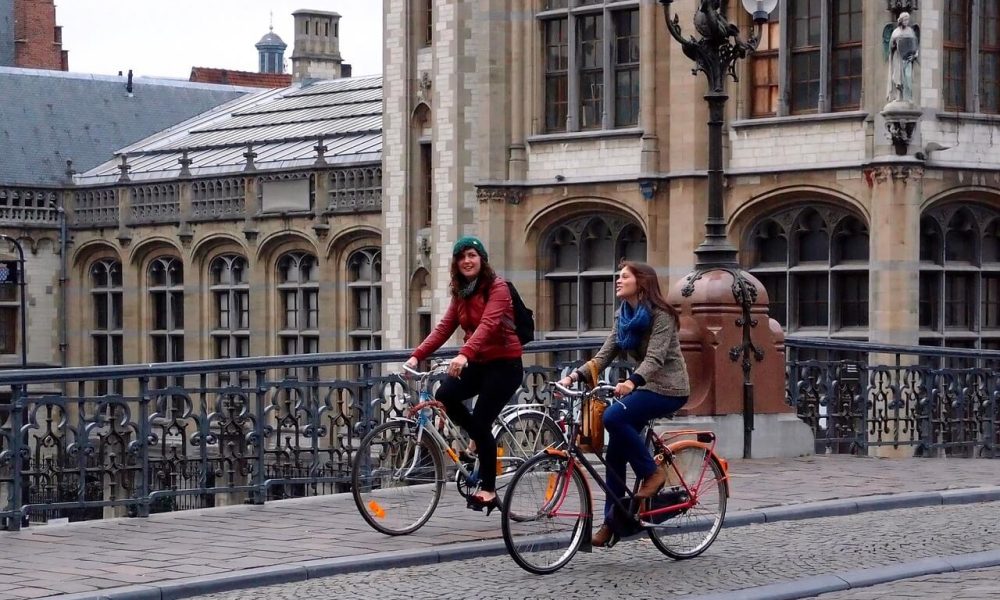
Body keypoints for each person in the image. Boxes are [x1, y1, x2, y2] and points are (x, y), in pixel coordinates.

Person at [558, 261, 689, 547]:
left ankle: (652, 473)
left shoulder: (661, 315)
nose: (618, 280)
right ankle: (612, 522)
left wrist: (632, 382)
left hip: (668, 387)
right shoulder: (624, 315)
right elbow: (605, 353)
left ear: (641, 282)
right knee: (614, 454)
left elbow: (655, 358)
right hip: (644, 386)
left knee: (613, 417)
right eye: (618, 275)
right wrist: (576, 376)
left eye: (624, 276)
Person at [405, 236, 523, 515]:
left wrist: (464, 354)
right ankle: (477, 440)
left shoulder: (498, 288)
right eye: (461, 257)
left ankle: (489, 490)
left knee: (481, 423)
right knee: (444, 394)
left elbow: (489, 325)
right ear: (456, 264)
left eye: (472, 255)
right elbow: (445, 326)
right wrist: (416, 355)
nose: (467, 261)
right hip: (478, 362)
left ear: (481, 259)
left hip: (505, 365)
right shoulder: (461, 292)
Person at [886, 11, 918, 105]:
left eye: (908, 19)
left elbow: (915, 46)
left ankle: (908, 97)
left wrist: (915, 55)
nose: (907, 21)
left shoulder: (911, 31)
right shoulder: (896, 32)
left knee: (907, 77)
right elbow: (890, 47)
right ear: (901, 20)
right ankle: (899, 96)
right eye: (905, 19)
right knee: (898, 78)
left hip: (907, 59)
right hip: (898, 57)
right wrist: (894, 45)